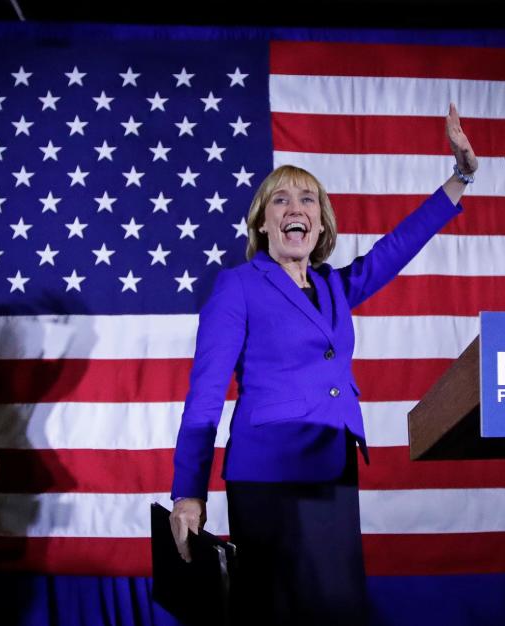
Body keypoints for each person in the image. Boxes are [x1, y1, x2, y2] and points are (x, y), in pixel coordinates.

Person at [169, 104, 478, 624]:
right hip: (269, 475)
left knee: (337, 610)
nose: (297, 207)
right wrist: (187, 494)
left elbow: (394, 249)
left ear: (319, 223)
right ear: (263, 222)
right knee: (278, 612)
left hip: (333, 468)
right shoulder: (238, 286)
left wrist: (461, 176)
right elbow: (204, 398)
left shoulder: (335, 285)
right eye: (282, 199)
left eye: (308, 198)